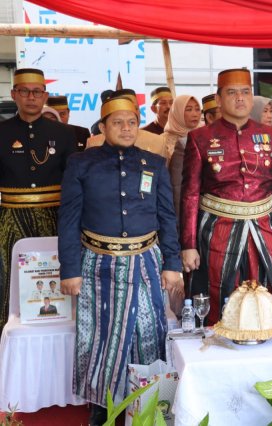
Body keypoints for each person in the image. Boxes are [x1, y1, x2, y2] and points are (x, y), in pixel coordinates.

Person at [58, 96, 182, 425]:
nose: (126, 128)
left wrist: (172, 262)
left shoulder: (153, 163)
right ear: (102, 127)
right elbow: (68, 220)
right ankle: (102, 407)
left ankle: (151, 403)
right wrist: (69, 271)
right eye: (117, 122)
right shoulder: (81, 163)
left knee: (149, 331)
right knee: (99, 336)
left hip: (146, 262)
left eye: (131, 122)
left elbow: (167, 217)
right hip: (98, 265)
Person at [180, 69, 272, 323]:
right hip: (216, 229)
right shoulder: (200, 137)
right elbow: (189, 196)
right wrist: (188, 245)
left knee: (262, 295)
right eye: (232, 93)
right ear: (218, 100)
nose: (240, 98)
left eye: (245, 92)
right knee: (217, 292)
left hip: (264, 228)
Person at [0, 68, 76, 331]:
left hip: (55, 215)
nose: (31, 97)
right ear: (14, 95)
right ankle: (12, 330)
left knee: (55, 271)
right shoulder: (2, 131)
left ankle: (57, 327)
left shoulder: (65, 134)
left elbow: (73, 183)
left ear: (45, 96)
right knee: (13, 275)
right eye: (24, 91)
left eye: (37, 92)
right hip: (11, 216)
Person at [86, 89, 169, 160]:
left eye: (135, 108)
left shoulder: (159, 142)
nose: (131, 113)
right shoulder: (94, 143)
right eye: (124, 109)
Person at [165, 95, 202, 216]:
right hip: (174, 204)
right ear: (177, 113)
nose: (195, 114)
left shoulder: (205, 138)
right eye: (189, 109)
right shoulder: (163, 141)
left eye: (197, 109)